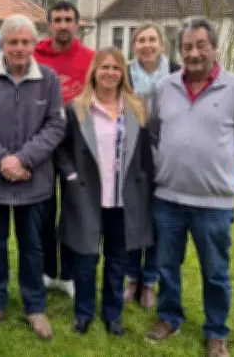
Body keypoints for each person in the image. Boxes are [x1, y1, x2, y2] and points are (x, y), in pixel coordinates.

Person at [145, 17, 234, 357]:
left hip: (214, 203)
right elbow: (154, 133)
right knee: (167, 265)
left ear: (214, 48)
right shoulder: (164, 88)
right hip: (167, 198)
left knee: (215, 273)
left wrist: (216, 170)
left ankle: (216, 332)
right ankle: (168, 317)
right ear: (179, 51)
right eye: (187, 47)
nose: (194, 53)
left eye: (200, 45)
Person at [0, 14, 66, 341]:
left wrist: (23, 159)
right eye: (13, 42)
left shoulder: (48, 79)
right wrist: (3, 159)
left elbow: (56, 126)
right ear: (1, 44)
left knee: (33, 246)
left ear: (35, 44)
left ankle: (35, 306)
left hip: (33, 181)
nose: (19, 48)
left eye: (25, 42)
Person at [55, 47, 154, 336]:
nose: (110, 73)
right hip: (88, 196)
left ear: (123, 73)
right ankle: (83, 313)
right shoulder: (77, 108)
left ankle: (113, 316)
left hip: (124, 199)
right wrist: (71, 176)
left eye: (116, 68)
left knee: (117, 261)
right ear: (94, 72)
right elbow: (61, 149)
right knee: (85, 259)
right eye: (104, 67)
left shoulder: (136, 109)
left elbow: (147, 154)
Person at [33, 0, 93, 298]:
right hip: (43, 144)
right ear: (49, 24)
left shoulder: (90, 58)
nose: (63, 25)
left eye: (68, 19)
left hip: (77, 147)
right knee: (44, 211)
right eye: (57, 19)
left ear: (77, 24)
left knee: (72, 212)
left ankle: (68, 274)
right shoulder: (35, 57)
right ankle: (46, 270)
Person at [124, 23, 182, 308]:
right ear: (134, 45)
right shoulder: (123, 73)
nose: (146, 45)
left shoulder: (177, 72)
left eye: (152, 40)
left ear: (161, 44)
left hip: (167, 157)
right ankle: (131, 278)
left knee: (160, 222)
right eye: (141, 40)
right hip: (131, 157)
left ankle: (149, 281)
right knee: (134, 220)